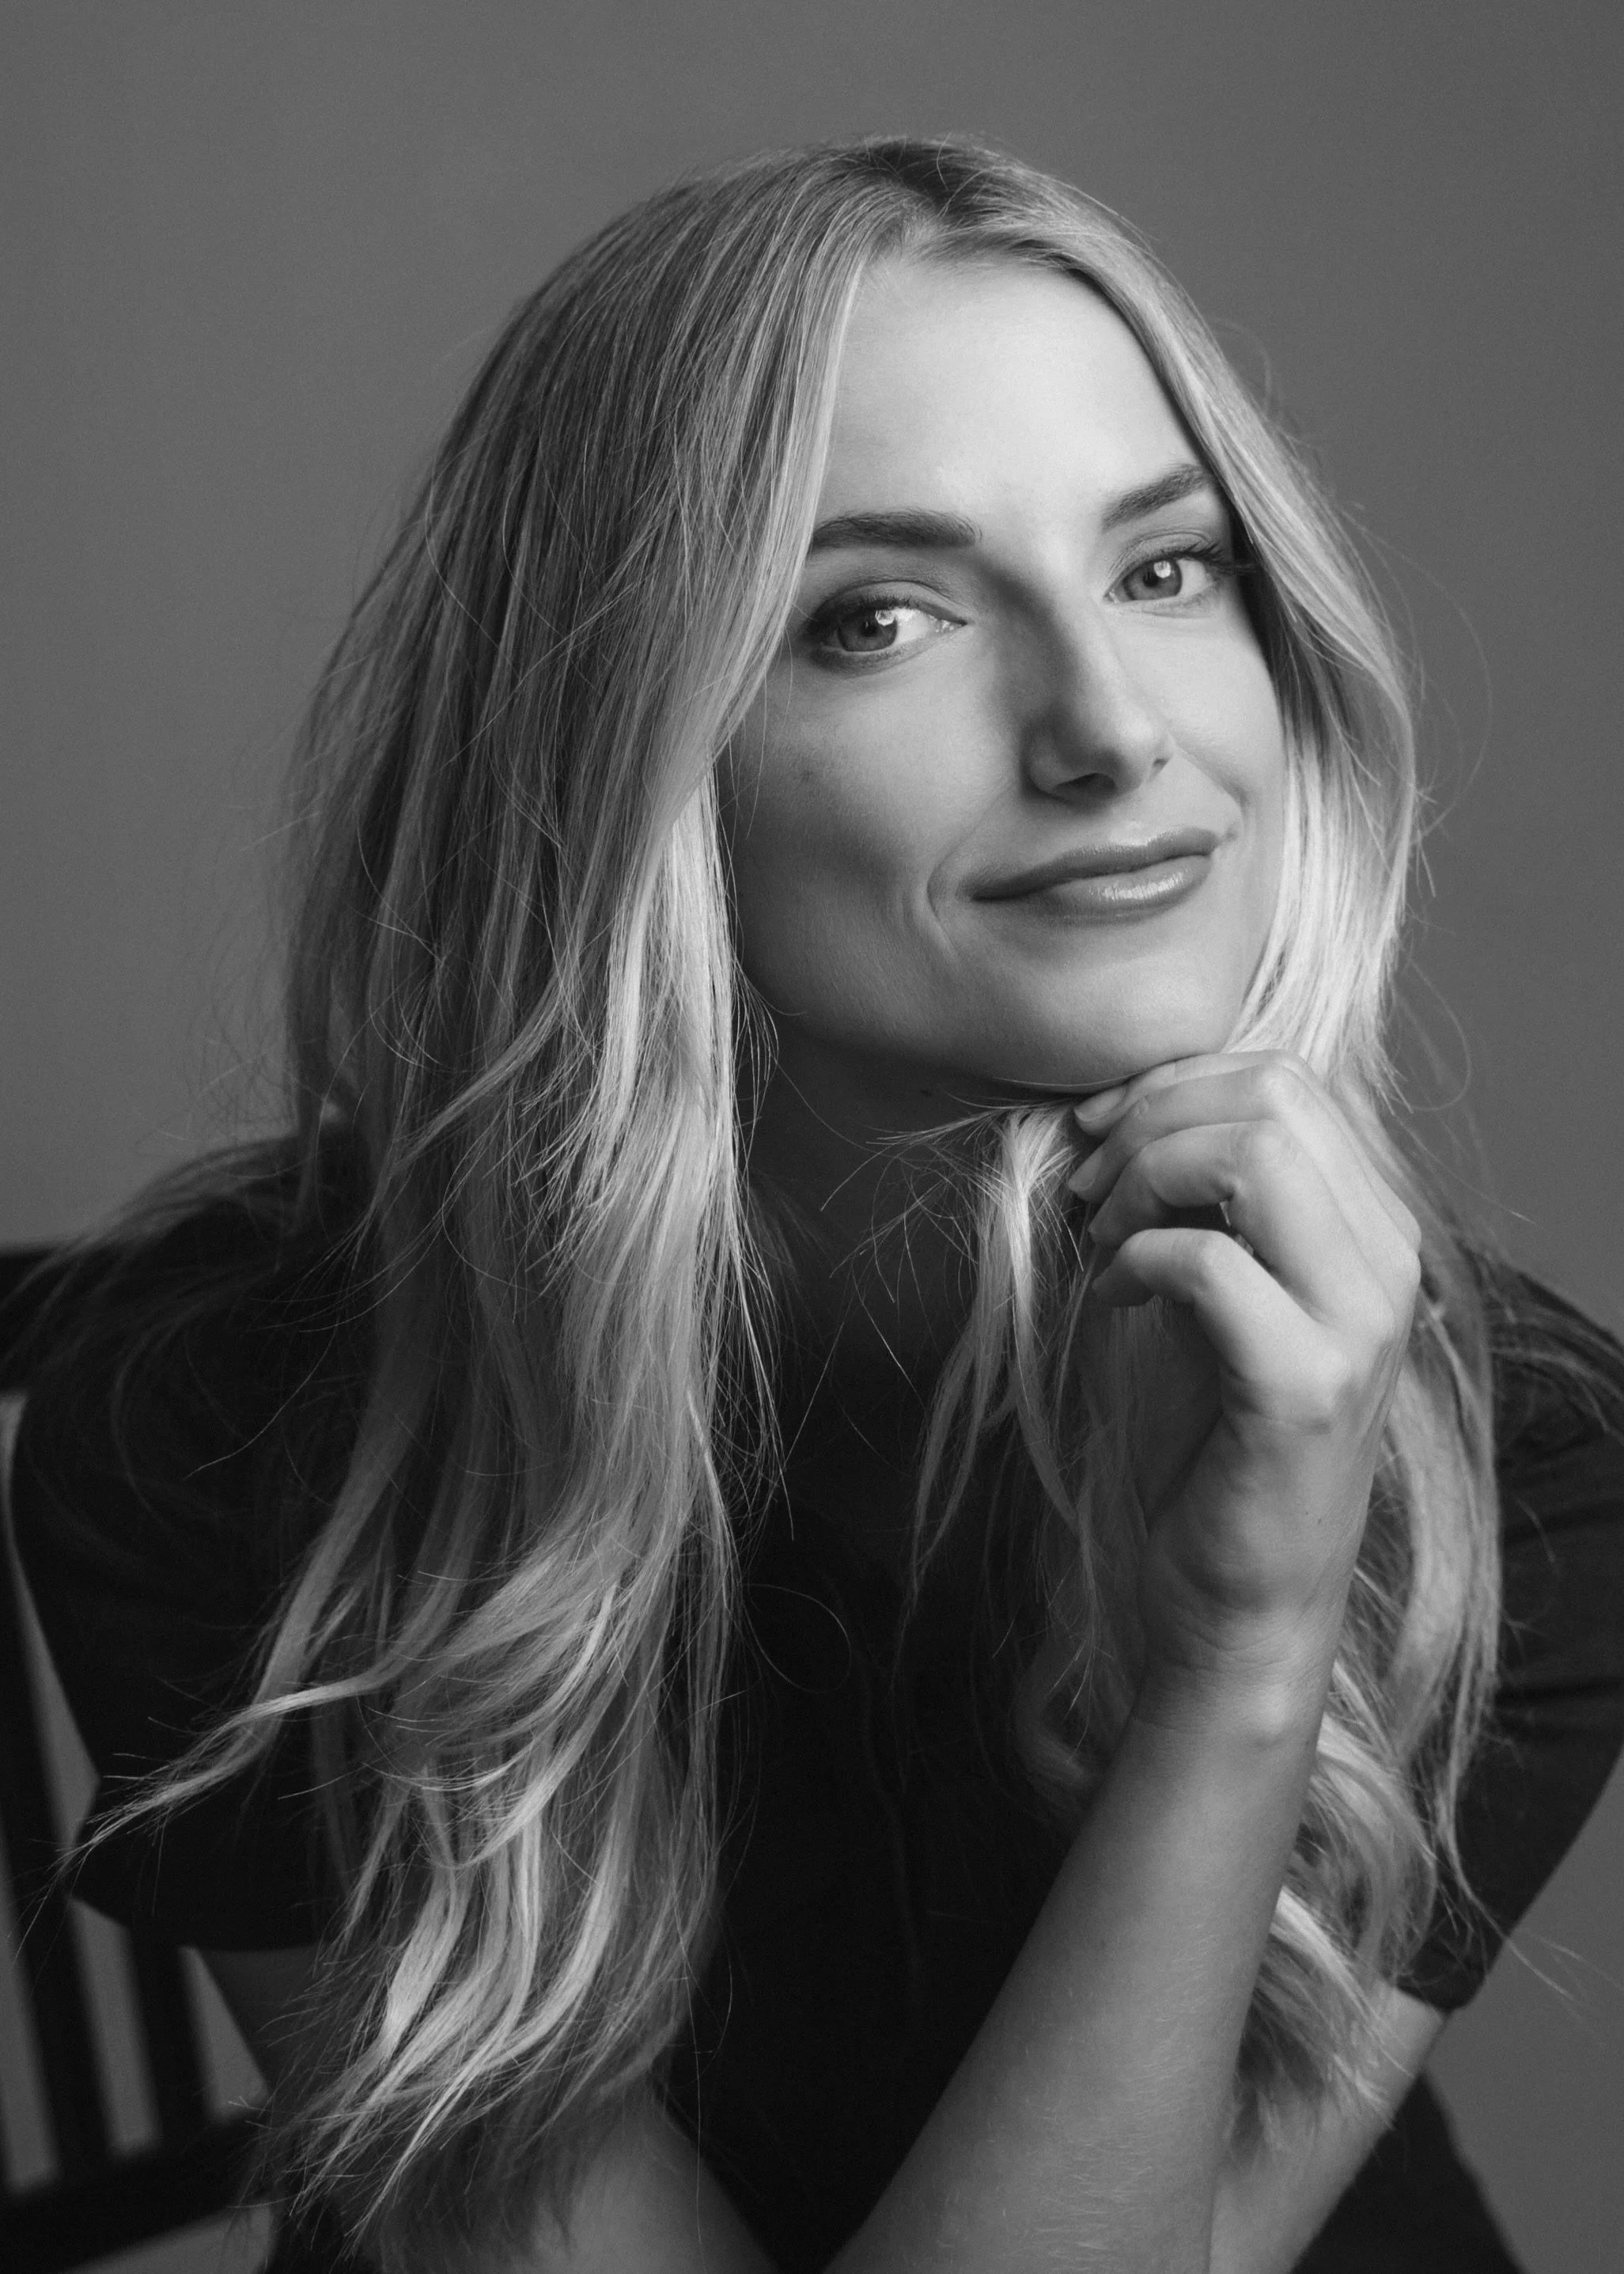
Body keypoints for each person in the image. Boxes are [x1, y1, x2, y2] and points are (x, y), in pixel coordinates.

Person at [10, 137, 1624, 2274]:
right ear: (614, 748)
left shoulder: (1514, 1458)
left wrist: (1244, 1655)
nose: (1110, 729)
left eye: (1165, 569)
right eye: (878, 616)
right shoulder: (220, 1424)